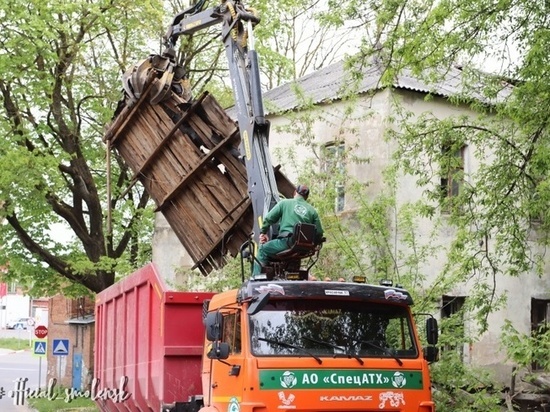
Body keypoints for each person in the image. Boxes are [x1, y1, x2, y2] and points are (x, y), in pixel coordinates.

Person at [253, 184, 324, 275]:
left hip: (287, 242)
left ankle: (257, 278)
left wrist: (263, 232)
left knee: (263, 249)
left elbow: (268, 219)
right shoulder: (312, 211)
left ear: (295, 192)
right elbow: (319, 232)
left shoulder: (285, 203)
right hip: (304, 249)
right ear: (306, 197)